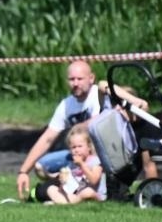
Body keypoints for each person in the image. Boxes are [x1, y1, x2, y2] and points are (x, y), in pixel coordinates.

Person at [15, 60, 108, 200]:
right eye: (72, 79)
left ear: (91, 78)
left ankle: (76, 191)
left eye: (80, 79)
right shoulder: (66, 105)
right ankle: (68, 187)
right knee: (41, 166)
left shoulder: (98, 95)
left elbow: (97, 121)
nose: (75, 83)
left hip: (99, 154)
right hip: (76, 154)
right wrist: (23, 171)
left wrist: (77, 128)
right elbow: (47, 138)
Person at [43, 126, 105, 205]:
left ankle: (63, 202)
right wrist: (63, 181)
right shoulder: (72, 164)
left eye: (80, 146)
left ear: (89, 147)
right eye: (73, 147)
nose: (76, 150)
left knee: (87, 192)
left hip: (94, 194)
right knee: (51, 189)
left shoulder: (95, 161)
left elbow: (94, 180)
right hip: (77, 194)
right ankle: (67, 202)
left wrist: (82, 164)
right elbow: (69, 185)